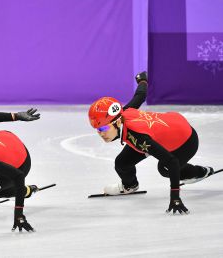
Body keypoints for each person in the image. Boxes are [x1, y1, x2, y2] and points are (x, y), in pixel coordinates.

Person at [88, 71, 214, 214]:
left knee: (165, 168)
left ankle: (199, 172)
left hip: (186, 140)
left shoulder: (139, 138)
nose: (101, 133)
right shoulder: (124, 112)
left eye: (103, 128)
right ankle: (130, 186)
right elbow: (140, 96)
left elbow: (172, 161)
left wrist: (175, 198)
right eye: (97, 129)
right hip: (160, 131)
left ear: (117, 122)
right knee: (122, 163)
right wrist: (143, 81)